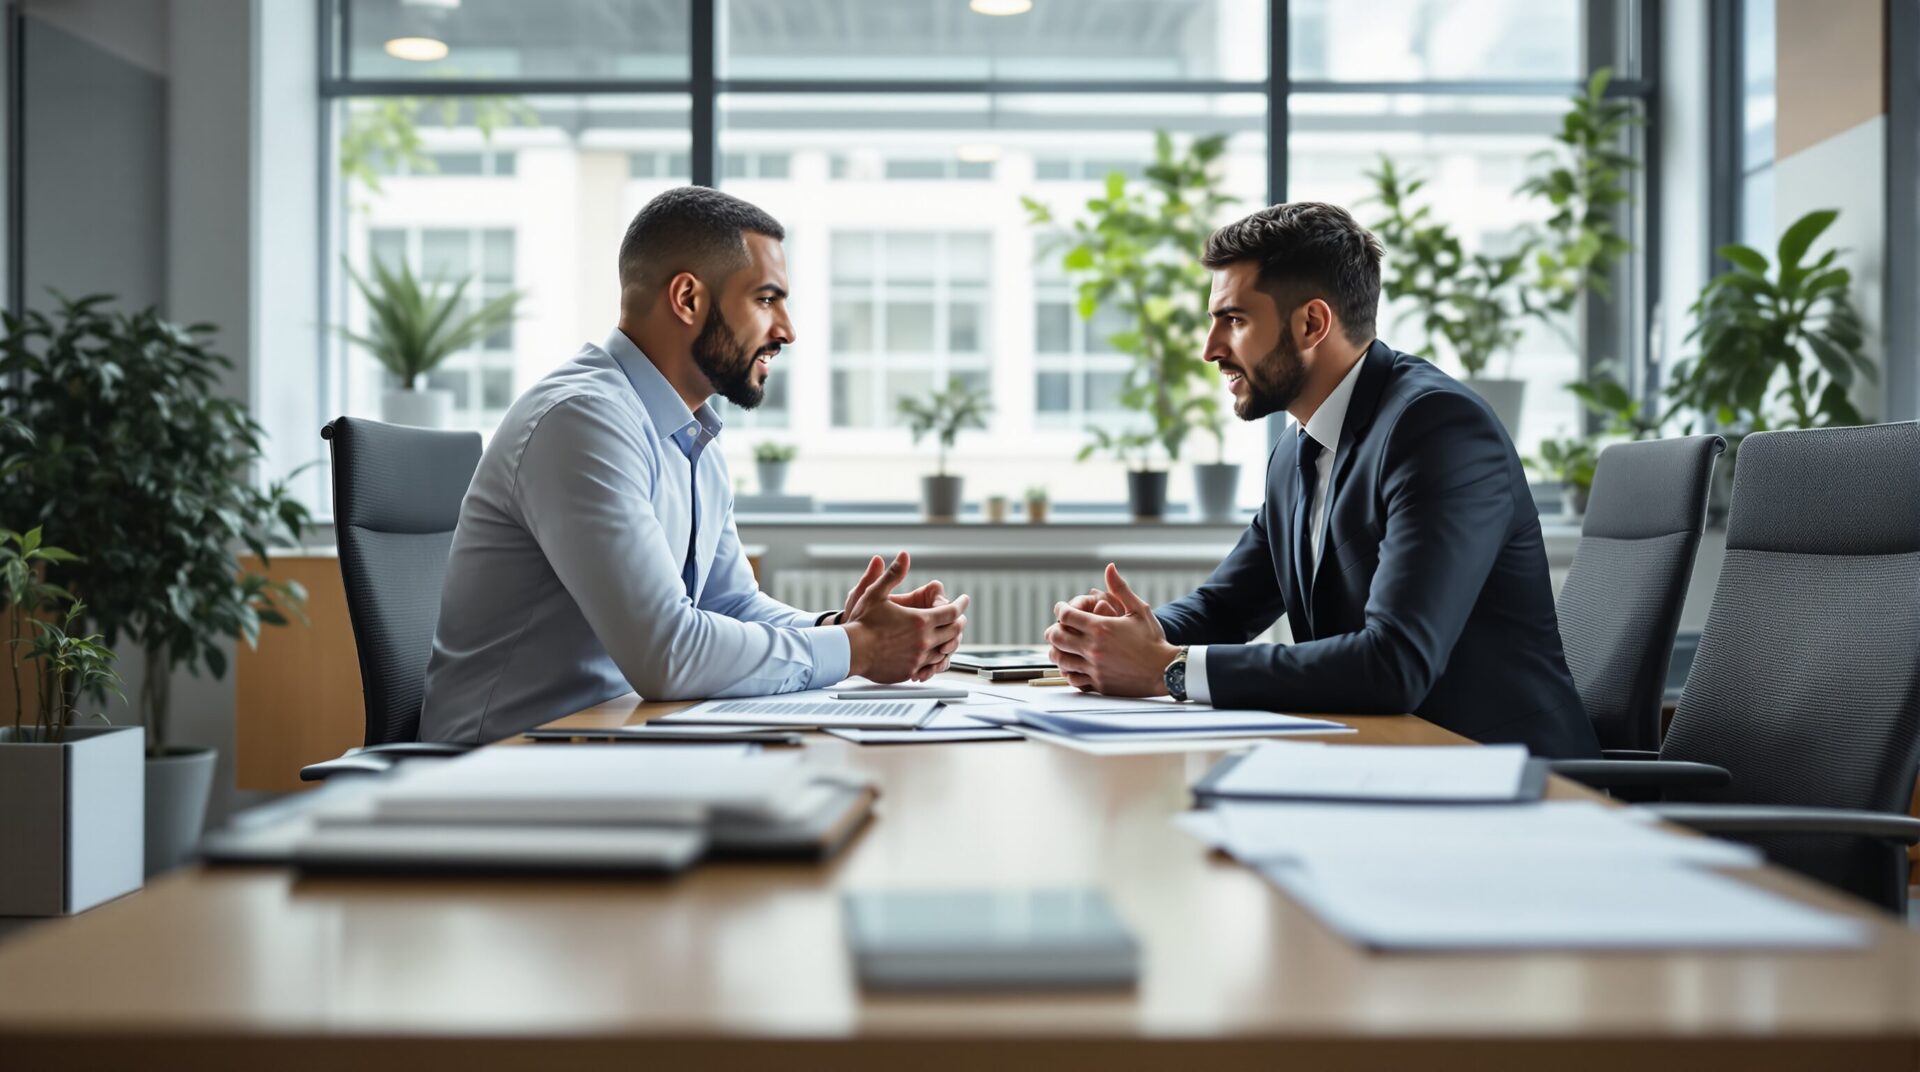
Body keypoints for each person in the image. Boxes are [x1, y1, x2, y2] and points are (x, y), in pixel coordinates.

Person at [1043, 201, 1599, 758]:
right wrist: (1125, 636)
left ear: (1311, 323)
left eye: (1234, 320)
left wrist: (1170, 669)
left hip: (1509, 781)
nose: (1210, 349)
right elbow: (1228, 606)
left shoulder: (1437, 428)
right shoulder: (1298, 448)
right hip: (1387, 760)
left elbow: (1395, 662)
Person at [422, 186, 968, 744]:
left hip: (609, 744)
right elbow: (669, 655)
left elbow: (726, 603)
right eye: (765, 299)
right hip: (503, 771)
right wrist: (861, 649)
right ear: (687, 298)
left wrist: (842, 628)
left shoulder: (690, 432)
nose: (786, 329)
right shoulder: (582, 421)